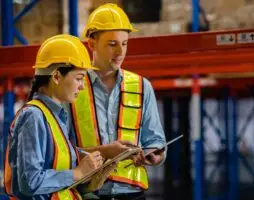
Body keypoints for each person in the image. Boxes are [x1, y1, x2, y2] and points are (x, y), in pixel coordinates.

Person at [67, 3, 167, 200]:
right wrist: (105, 152)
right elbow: (59, 149)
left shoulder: (141, 86)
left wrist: (154, 155)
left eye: (124, 43)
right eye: (112, 44)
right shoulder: (72, 87)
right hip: (87, 193)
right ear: (92, 44)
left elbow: (156, 141)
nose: (120, 52)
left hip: (132, 194)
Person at [4, 34, 107, 200]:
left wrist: (91, 167)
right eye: (79, 78)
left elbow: (55, 165)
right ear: (57, 77)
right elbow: (30, 181)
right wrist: (77, 173)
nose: (82, 87)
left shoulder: (54, 116)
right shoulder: (33, 117)